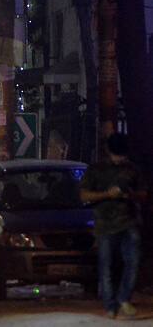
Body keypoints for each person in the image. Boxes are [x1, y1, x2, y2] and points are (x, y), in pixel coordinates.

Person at [80, 133, 148, 319]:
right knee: (106, 265)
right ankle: (110, 306)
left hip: (129, 221)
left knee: (133, 261)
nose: (119, 158)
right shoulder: (97, 169)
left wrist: (130, 195)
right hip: (105, 224)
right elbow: (84, 195)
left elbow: (144, 194)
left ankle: (123, 297)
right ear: (109, 151)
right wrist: (107, 195)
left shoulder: (132, 169)